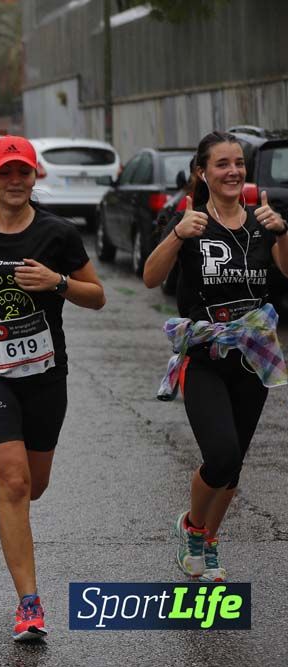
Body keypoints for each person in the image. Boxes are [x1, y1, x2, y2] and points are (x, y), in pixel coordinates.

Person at [0, 136, 106, 641]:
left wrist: (57, 283)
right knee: (13, 481)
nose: (15, 182)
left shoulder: (58, 233)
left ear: (35, 177)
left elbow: (97, 296)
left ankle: (23, 567)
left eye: (23, 173)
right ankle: (29, 604)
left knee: (35, 485)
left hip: (44, 375)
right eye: (4, 173)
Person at [143, 131, 288, 584]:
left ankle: (206, 539)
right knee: (220, 453)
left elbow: (286, 272)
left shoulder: (263, 222)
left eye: (239, 163)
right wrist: (175, 235)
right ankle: (191, 525)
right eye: (222, 164)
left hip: (253, 356)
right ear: (202, 172)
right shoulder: (192, 223)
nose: (233, 171)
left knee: (234, 464)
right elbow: (150, 278)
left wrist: (283, 232)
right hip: (205, 355)